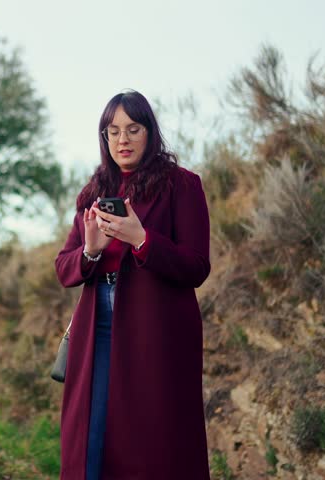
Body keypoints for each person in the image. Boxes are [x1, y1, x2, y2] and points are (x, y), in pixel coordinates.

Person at [54, 89, 212, 479]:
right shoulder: (94, 193)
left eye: (132, 129)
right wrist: (91, 251)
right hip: (96, 325)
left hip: (155, 329)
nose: (122, 139)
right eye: (113, 131)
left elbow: (196, 266)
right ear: (104, 138)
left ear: (149, 132)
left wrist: (142, 239)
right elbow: (64, 267)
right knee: (91, 436)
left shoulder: (182, 185)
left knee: (151, 443)